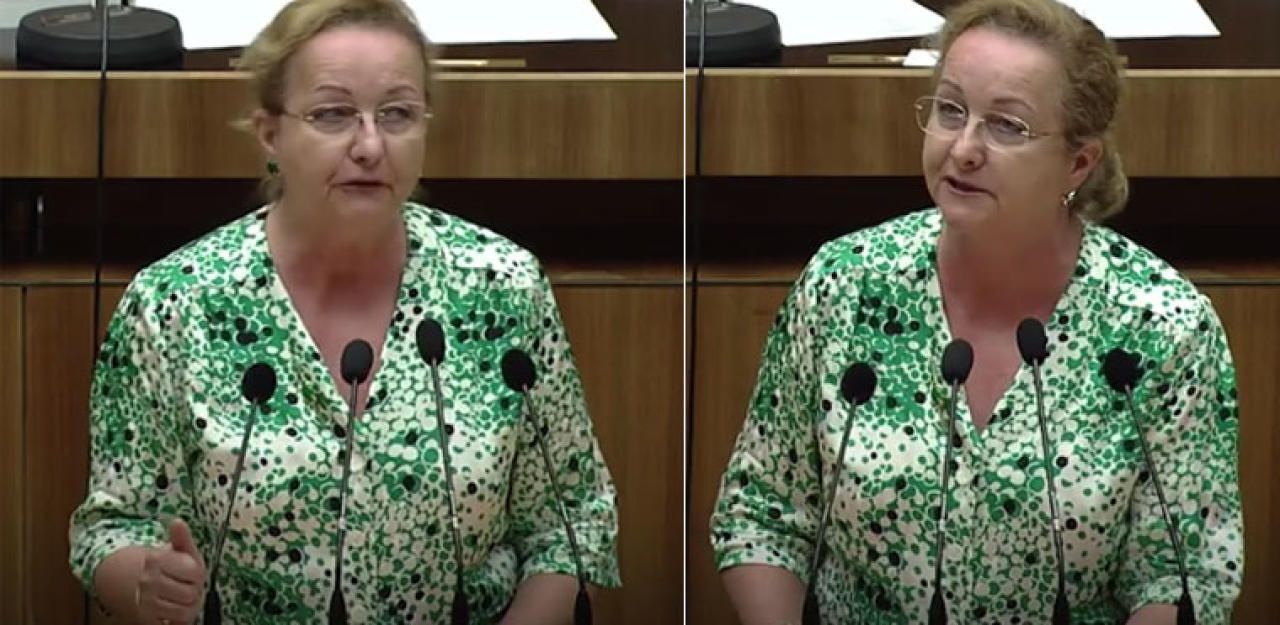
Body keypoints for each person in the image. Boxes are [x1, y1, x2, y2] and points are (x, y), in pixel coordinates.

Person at [68, 1, 620, 623]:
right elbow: (110, 529)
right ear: (270, 133)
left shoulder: (503, 286)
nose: (370, 145)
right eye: (332, 114)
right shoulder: (174, 303)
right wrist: (145, 582)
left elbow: (572, 524)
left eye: (398, 114)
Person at [710, 1, 1243, 623]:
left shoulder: (1163, 326)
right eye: (950, 110)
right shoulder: (844, 284)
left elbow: (1181, 574)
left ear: (1078, 163)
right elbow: (762, 515)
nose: (963, 149)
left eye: (1007, 126)